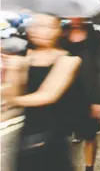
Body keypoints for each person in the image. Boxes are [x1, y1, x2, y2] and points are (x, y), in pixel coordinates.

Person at [2, 13, 81, 171]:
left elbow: (48, 95)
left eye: (49, 26)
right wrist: (13, 70)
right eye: (37, 26)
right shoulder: (24, 58)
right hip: (27, 135)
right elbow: (12, 95)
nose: (42, 31)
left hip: (54, 136)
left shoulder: (69, 60)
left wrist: (13, 100)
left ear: (58, 30)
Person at [63, 18, 100, 171]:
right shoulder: (61, 34)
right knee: (64, 135)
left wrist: (99, 100)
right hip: (65, 93)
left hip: (88, 92)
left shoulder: (94, 36)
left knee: (89, 135)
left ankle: (89, 167)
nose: (74, 18)